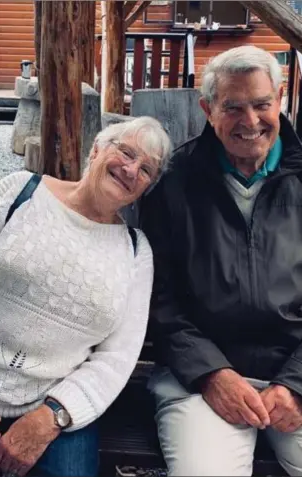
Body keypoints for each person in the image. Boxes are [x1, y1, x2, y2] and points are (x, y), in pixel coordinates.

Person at [0, 117, 173, 477]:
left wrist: (52, 417)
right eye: (126, 151)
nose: (131, 169)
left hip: (52, 405)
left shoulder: (136, 252)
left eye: (146, 168)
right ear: (97, 149)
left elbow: (116, 358)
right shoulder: (19, 192)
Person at [140, 45, 302, 476]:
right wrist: (212, 374)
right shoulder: (173, 184)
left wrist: (295, 385)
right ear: (207, 108)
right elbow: (160, 299)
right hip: (199, 382)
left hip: (296, 373)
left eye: (261, 104)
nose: (250, 122)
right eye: (232, 107)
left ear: (280, 98)